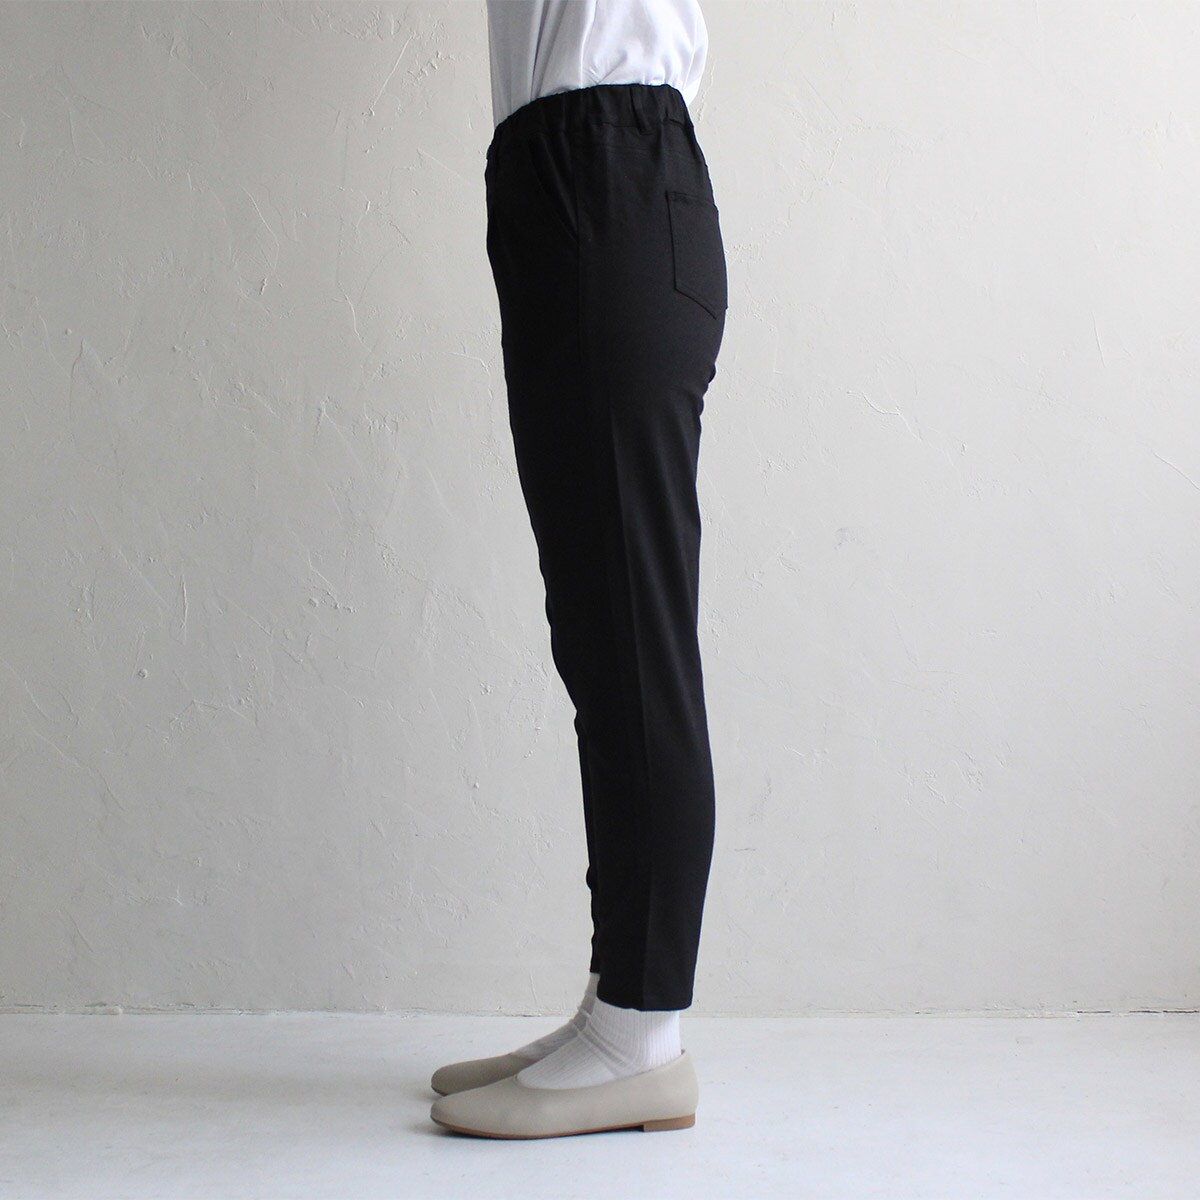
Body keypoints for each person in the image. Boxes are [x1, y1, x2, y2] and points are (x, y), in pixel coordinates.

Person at [430, 0, 728, 1139]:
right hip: (565, 177)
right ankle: (618, 1005)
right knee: (605, 646)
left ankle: (642, 1039)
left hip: (610, 170)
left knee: (635, 649)